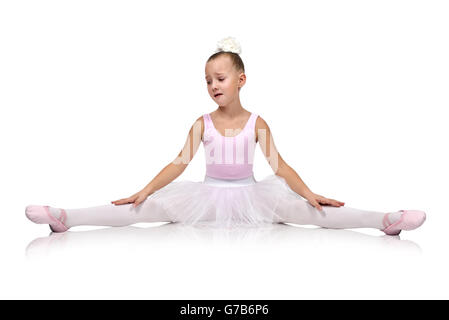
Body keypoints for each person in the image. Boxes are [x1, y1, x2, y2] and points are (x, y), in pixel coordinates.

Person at [25, 37, 426, 235]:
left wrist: (309, 193)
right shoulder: (202, 122)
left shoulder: (258, 123)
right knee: (141, 212)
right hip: (206, 197)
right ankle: (67, 218)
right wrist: (143, 190)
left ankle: (383, 220)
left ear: (240, 80)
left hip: (254, 196)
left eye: (219, 78)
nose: (212, 85)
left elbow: (280, 166)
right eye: (207, 81)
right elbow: (177, 163)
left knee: (313, 214)